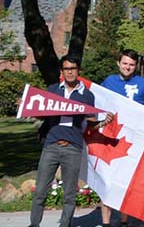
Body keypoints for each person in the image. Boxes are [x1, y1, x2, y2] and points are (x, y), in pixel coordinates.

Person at [30, 55, 114, 227]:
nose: (70, 72)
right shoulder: (53, 90)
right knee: (40, 191)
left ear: (78, 71)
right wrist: (28, 105)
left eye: (73, 68)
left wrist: (104, 122)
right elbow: (41, 113)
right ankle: (34, 224)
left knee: (69, 194)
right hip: (51, 146)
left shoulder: (87, 96)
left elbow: (90, 124)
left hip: (73, 148)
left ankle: (65, 224)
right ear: (62, 71)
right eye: (66, 69)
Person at [98, 49, 144, 226]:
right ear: (118, 63)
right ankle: (106, 222)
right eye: (125, 63)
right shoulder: (109, 81)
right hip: (111, 138)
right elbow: (95, 99)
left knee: (125, 181)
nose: (128, 67)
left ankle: (124, 221)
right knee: (106, 182)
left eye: (131, 64)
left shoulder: (143, 83)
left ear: (135, 66)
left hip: (133, 142)